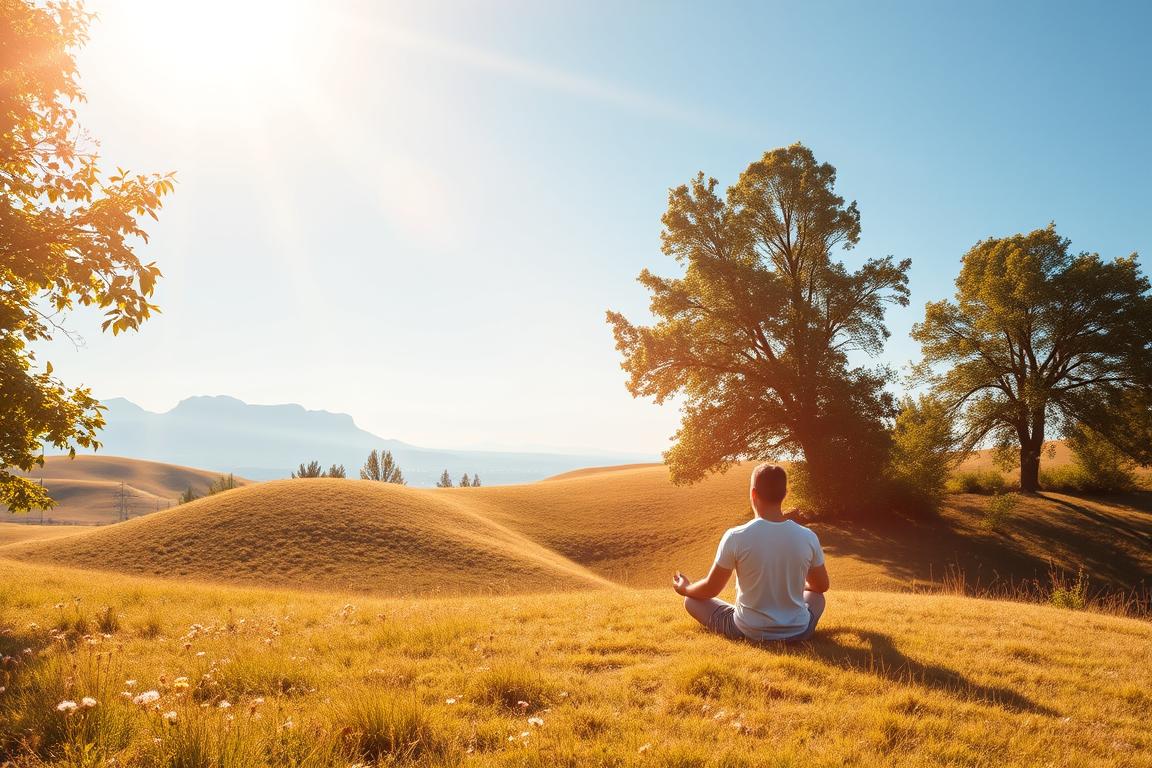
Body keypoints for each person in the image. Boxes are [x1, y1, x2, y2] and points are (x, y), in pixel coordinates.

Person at [672, 463, 828, 643]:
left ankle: (750, 618)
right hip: (798, 632)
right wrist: (797, 590)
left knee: (691, 601)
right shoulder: (807, 536)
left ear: (753, 493)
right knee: (817, 598)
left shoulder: (736, 536)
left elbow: (711, 588)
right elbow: (821, 587)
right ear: (785, 494)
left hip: (748, 631)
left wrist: (685, 589)